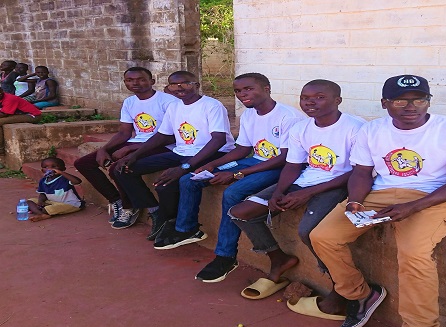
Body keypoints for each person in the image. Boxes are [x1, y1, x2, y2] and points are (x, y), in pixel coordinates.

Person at [309, 75, 446, 327]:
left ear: (429, 101)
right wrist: (354, 202)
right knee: (323, 236)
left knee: (414, 255)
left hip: (434, 197)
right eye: (400, 100)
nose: (411, 106)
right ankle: (360, 295)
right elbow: (362, 172)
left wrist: (412, 207)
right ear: (385, 103)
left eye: (419, 99)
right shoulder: (373, 130)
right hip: (382, 194)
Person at [154, 73, 304, 284]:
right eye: (238, 91)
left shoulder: (288, 117)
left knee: (233, 192)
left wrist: (235, 174)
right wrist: (213, 164)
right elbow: (243, 148)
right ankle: (186, 229)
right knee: (191, 178)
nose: (243, 95)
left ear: (267, 88)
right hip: (255, 161)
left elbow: (285, 158)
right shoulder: (249, 115)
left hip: (279, 167)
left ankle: (225, 256)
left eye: (249, 89)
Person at [228, 79, 366, 300]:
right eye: (305, 98)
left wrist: (307, 193)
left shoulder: (357, 128)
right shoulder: (301, 127)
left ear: (337, 100)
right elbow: (293, 165)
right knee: (241, 212)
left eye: (319, 97)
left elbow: (359, 171)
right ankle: (278, 259)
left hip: (337, 184)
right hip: (305, 180)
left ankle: (339, 285)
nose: (310, 103)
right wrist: (278, 192)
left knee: (308, 232)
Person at [113, 70, 234, 238]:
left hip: (211, 153)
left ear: (196, 85)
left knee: (166, 184)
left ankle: (169, 224)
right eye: (173, 85)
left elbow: (218, 140)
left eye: (185, 83)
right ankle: (154, 211)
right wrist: (135, 155)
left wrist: (184, 167)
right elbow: (162, 135)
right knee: (123, 169)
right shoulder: (174, 106)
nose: (179, 88)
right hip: (181, 152)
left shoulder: (211, 105)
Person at [74, 67, 178, 231]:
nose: (135, 83)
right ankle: (118, 201)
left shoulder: (168, 102)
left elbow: (172, 135)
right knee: (83, 163)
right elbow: (124, 132)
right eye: (130, 80)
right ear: (125, 83)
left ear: (152, 81)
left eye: (141, 79)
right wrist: (104, 149)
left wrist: (133, 149)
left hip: (164, 145)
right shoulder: (130, 102)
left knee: (120, 166)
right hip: (138, 142)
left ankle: (142, 208)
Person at [26, 157, 84, 222]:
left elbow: (77, 181)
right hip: (53, 202)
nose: (50, 169)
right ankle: (42, 214)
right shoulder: (43, 181)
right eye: (46, 167)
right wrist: (40, 202)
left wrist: (61, 173)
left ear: (63, 169)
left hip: (71, 204)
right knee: (29, 202)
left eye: (54, 167)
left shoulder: (65, 179)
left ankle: (41, 212)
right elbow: (42, 193)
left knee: (48, 209)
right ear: (42, 170)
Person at [0, 87, 41, 154]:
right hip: (17, 114)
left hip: (32, 115)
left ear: (2, 91)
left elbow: (4, 114)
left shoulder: (9, 99)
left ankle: (1, 149)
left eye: (0, 92)